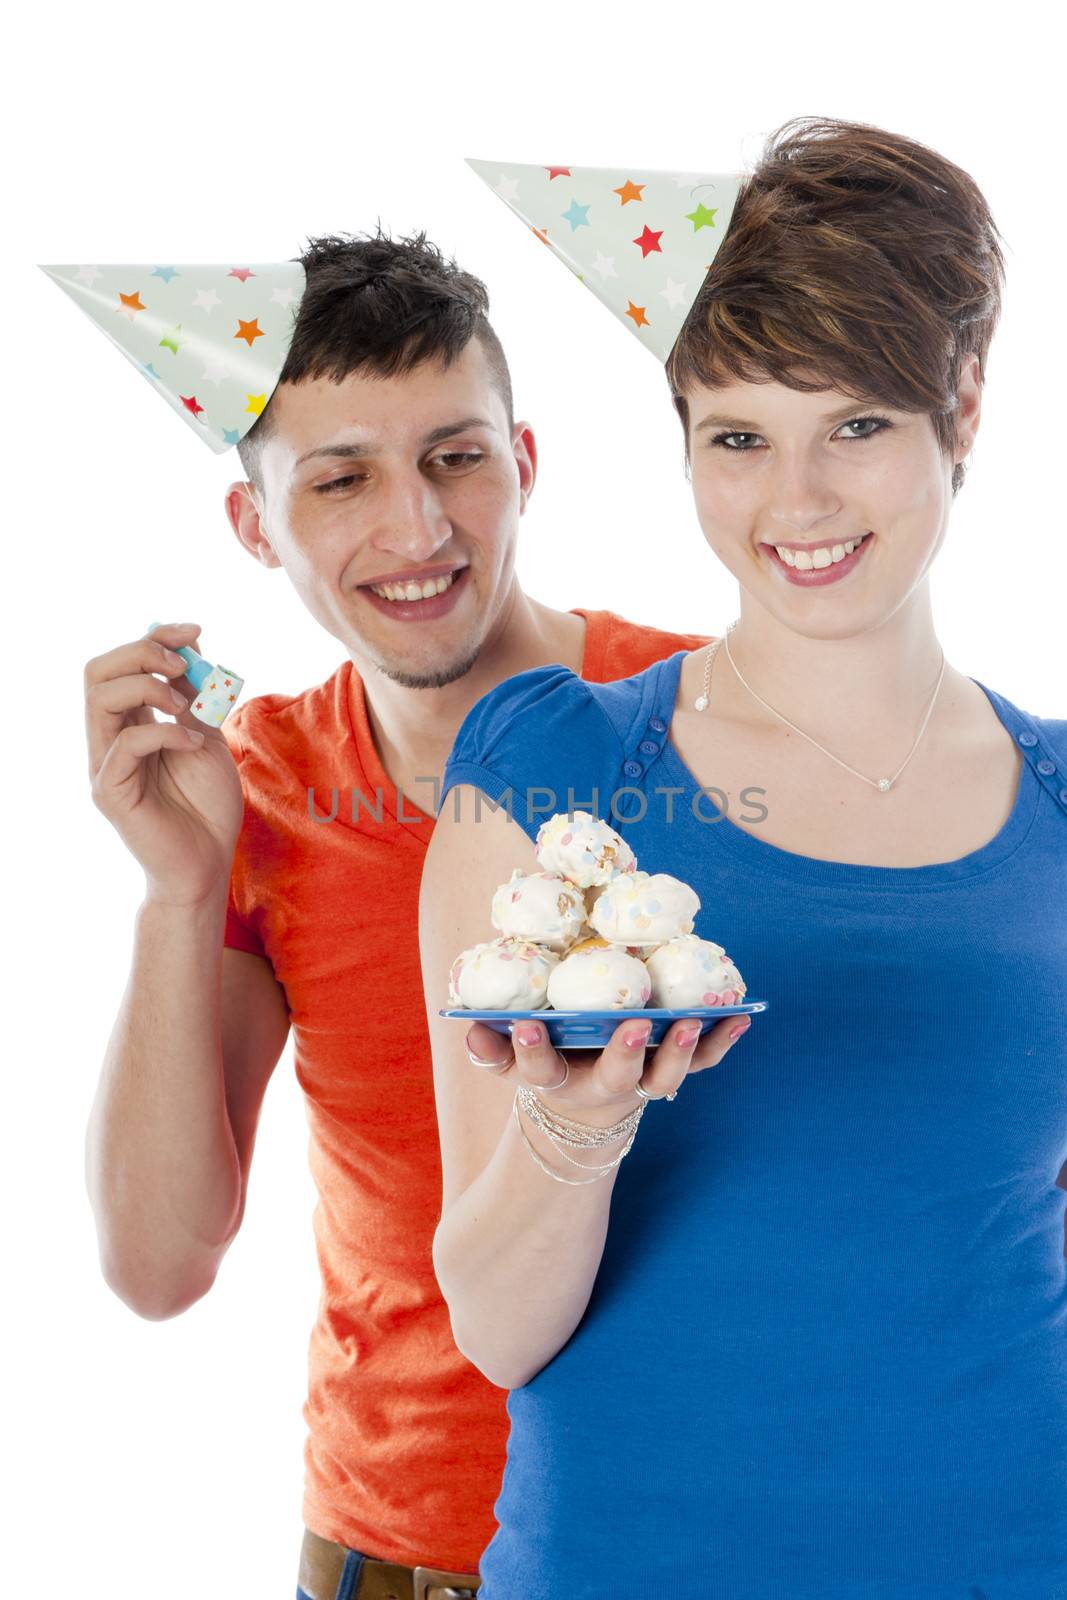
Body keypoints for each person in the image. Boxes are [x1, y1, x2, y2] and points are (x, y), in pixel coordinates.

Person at [419, 117, 1067, 1596]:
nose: (799, 503)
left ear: (960, 405)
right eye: (739, 438)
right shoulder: (551, 776)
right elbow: (497, 1328)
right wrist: (581, 1125)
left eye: (855, 425)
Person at [81, 229, 712, 1600]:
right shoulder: (261, 795)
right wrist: (179, 892)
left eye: (454, 457)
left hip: (706, 1527)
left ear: (525, 465)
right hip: (397, 1552)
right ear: (257, 527)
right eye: (340, 479)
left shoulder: (715, 724)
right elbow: (158, 1263)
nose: (417, 530)